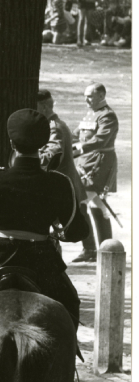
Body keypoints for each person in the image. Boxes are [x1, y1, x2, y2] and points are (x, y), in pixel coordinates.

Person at [0, 109, 90, 331]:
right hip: (42, 263)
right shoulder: (59, 182)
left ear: (12, 143)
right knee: (70, 303)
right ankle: (68, 365)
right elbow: (77, 232)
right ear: (42, 144)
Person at [72, 83, 119, 261]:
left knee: (82, 202)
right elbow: (77, 134)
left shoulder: (108, 116)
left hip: (100, 163)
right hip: (86, 162)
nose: (86, 99)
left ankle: (90, 249)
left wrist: (77, 148)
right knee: (97, 205)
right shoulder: (91, 114)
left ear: (101, 96)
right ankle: (106, 248)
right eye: (85, 96)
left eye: (90, 96)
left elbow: (101, 139)